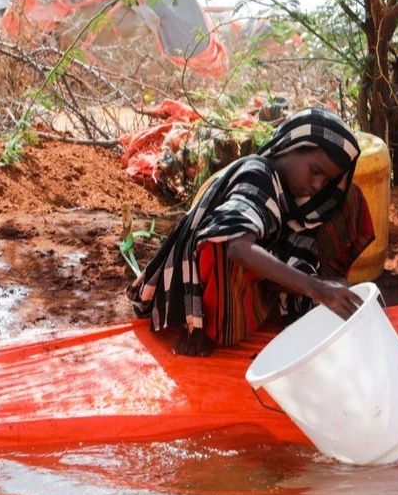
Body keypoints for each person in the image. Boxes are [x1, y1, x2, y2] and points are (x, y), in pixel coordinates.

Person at [130, 107, 373, 356]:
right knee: (223, 241)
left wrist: (325, 283)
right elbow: (237, 248)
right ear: (293, 145)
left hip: (260, 279)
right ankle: (206, 325)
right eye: (316, 170)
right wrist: (317, 289)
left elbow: (299, 233)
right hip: (204, 283)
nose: (317, 185)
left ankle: (300, 299)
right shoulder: (257, 174)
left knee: (348, 197)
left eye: (326, 179)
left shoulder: (295, 194)